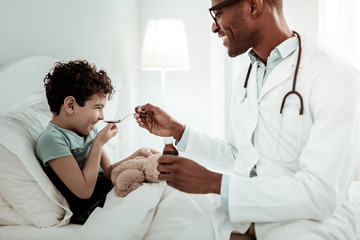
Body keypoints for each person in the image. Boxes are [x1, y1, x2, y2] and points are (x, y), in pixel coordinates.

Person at [134, 0, 360, 239]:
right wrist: (178, 131)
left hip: (306, 222)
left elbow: (320, 194)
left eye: (218, 13)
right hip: (245, 215)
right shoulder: (248, 75)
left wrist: (214, 183)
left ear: (253, 5)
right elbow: (240, 156)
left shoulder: (336, 76)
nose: (214, 27)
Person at [36, 60, 157, 224]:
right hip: (90, 207)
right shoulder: (51, 140)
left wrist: (139, 153)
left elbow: (109, 172)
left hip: (106, 189)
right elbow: (84, 191)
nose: (102, 116)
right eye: (98, 107)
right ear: (71, 105)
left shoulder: (88, 130)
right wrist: (98, 144)